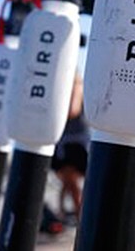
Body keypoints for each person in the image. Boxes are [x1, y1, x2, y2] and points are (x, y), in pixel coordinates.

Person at [51, 74, 89, 221]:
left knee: (72, 181)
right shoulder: (68, 87)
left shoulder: (76, 85)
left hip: (75, 143)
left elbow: (73, 110)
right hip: (66, 141)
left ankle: (80, 216)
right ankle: (66, 213)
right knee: (68, 181)